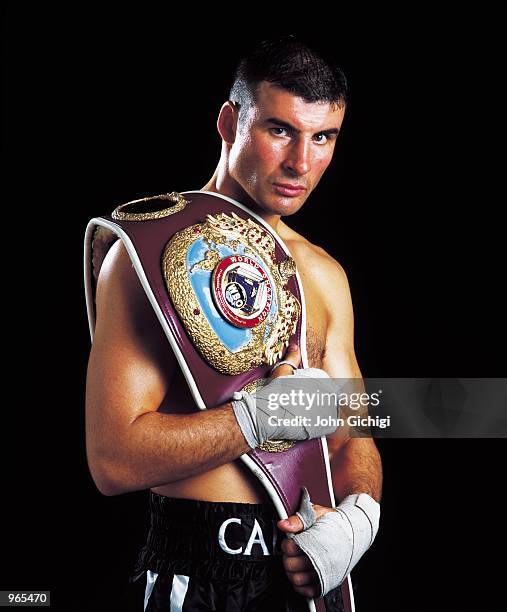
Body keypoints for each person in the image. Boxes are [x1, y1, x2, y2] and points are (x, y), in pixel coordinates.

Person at [85, 35, 382, 611]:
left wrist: (357, 521)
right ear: (229, 121)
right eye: (280, 130)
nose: (301, 162)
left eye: (322, 138)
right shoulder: (149, 252)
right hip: (195, 572)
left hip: (305, 574)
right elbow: (114, 459)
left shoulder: (326, 276)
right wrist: (260, 419)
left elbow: (352, 436)